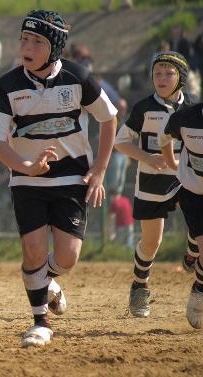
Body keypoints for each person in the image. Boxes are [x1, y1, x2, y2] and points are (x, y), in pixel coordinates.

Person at [0, 10, 118, 347]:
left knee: (68, 257)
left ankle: (45, 278)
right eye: (24, 40)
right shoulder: (9, 84)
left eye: (37, 42)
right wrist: (26, 166)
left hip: (72, 177)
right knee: (33, 250)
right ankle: (40, 321)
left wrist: (100, 169)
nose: (26, 47)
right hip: (27, 179)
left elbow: (109, 119)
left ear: (55, 48)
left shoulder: (79, 78)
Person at [114, 51, 199, 317]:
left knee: (198, 230)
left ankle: (191, 252)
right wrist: (146, 157)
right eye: (157, 73)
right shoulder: (143, 108)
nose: (161, 78)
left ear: (181, 78)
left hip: (187, 179)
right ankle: (140, 286)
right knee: (152, 242)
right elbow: (120, 142)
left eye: (168, 73)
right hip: (152, 180)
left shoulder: (194, 108)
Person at [159, 85, 203, 329]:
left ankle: (193, 252)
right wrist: (172, 163)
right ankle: (199, 291)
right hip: (193, 190)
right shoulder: (185, 118)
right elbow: (163, 138)